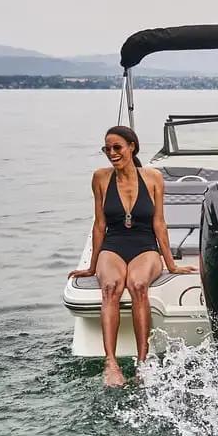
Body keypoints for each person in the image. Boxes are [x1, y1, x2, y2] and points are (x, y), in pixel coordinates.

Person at [67, 126, 195, 387]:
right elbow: (99, 225)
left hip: (145, 245)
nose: (112, 153)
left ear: (132, 147)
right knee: (110, 287)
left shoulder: (153, 178)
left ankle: (142, 362)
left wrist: (171, 265)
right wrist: (91, 267)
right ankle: (111, 363)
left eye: (117, 147)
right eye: (107, 149)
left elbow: (159, 223)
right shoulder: (100, 178)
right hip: (113, 245)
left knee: (137, 285)